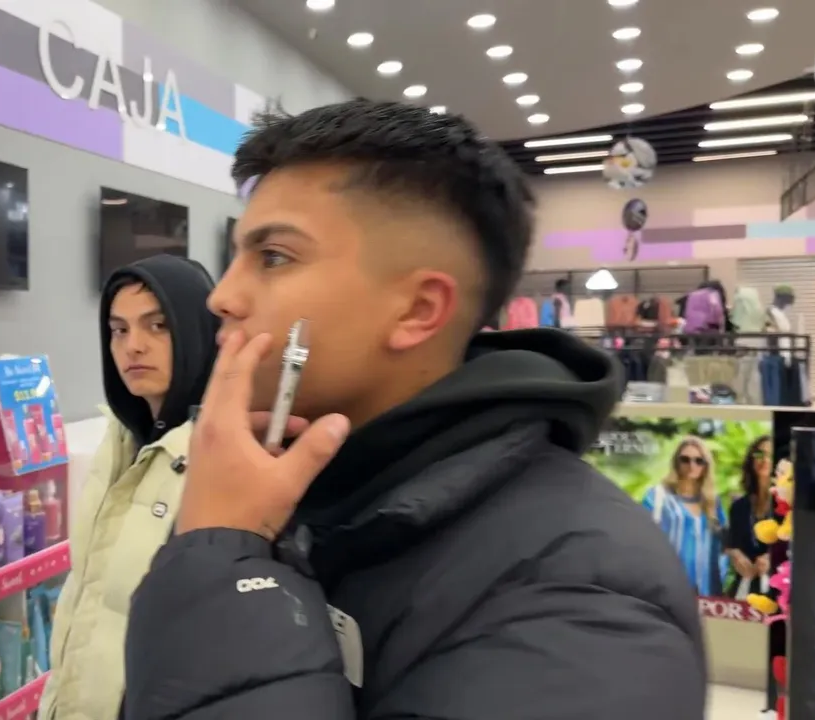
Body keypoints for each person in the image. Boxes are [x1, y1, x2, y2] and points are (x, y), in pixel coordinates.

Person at [121, 100, 704, 719]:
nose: (221, 296)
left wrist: (220, 561)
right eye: (236, 254)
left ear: (418, 311)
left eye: (274, 257)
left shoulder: (588, 609)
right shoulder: (283, 490)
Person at [39, 254, 219, 720]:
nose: (133, 346)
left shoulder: (219, 458)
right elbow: (85, 593)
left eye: (158, 326)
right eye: (119, 330)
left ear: (196, 331)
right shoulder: (119, 443)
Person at [642, 436, 728, 596]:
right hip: (666, 588)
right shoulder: (657, 496)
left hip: (706, 591)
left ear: (706, 465)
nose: (691, 465)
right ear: (676, 462)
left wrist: (720, 576)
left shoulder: (712, 502)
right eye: (685, 459)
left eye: (698, 461)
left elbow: (723, 547)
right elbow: (642, 539)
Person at [727, 435, 773, 598]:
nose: (765, 460)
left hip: (779, 591)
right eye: (759, 454)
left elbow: (799, 550)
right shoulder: (739, 506)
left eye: (771, 455)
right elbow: (732, 544)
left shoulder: (789, 505)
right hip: (744, 590)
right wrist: (735, 555)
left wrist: (773, 558)